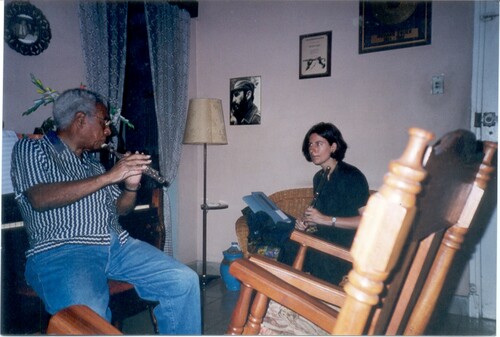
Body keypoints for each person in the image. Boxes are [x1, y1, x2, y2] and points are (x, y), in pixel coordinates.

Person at [10, 88, 201, 334]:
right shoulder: (31, 149)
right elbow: (39, 198)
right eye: (104, 123)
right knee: (91, 320)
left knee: (183, 280)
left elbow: (120, 209)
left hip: (117, 246)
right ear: (80, 120)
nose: (109, 131)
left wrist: (131, 186)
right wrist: (111, 176)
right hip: (62, 252)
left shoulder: (92, 162)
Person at [278, 122, 369, 285]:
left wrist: (326, 220)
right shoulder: (319, 177)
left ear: (333, 147)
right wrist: (306, 222)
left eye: (319, 144)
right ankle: (284, 294)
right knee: (289, 243)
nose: (312, 149)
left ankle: (315, 300)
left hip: (344, 246)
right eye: (310, 144)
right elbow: (320, 216)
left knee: (311, 254)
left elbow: (367, 222)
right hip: (323, 239)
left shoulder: (352, 176)